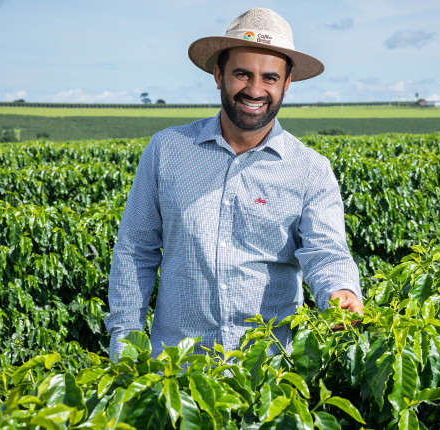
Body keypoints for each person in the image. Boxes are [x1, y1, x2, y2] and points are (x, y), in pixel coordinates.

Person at [105, 7, 362, 360]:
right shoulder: (166, 150)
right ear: (218, 75)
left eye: (270, 78)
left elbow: (326, 251)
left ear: (287, 84)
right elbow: (136, 250)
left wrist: (340, 290)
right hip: (177, 371)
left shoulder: (310, 169)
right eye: (242, 74)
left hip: (270, 374)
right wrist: (126, 340)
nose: (255, 90)